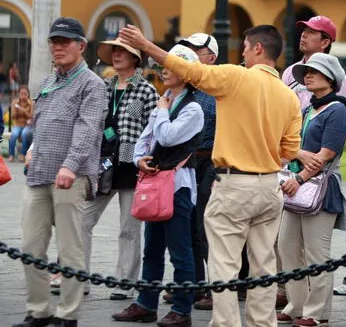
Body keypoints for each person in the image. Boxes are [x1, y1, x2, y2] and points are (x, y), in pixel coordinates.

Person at [117, 23, 302, 327]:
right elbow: (290, 149)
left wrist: (147, 45)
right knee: (264, 267)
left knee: (224, 264)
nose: (242, 53)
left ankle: (226, 323)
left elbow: (192, 71)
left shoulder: (236, 77)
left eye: (244, 47)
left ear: (257, 48)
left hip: (234, 182)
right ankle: (261, 324)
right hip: (270, 185)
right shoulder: (288, 95)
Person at [13, 17, 107, 327]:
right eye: (54, 41)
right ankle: (38, 310)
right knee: (30, 246)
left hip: (72, 177)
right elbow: (41, 124)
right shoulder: (48, 82)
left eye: (65, 41)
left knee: (70, 250)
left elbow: (88, 128)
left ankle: (68, 315)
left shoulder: (92, 84)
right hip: (39, 173)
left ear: (81, 46)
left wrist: (70, 165)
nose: (58, 47)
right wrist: (32, 148)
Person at [112, 44, 204, 327]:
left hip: (178, 186)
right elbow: (145, 138)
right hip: (156, 183)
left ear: (186, 73)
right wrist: (139, 159)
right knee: (152, 248)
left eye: (172, 66)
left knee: (180, 250)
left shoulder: (194, 108)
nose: (164, 69)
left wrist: (162, 112)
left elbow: (166, 137)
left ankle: (182, 309)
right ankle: (146, 303)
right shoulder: (165, 100)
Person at [276, 53, 346, 327]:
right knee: (287, 247)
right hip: (296, 185)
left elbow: (325, 155)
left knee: (316, 252)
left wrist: (299, 178)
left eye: (314, 72)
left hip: (319, 188)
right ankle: (296, 303)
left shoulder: (337, 109)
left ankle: (317, 312)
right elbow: (290, 146)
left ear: (330, 78)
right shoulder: (308, 108)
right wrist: (300, 155)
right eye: (306, 72)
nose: (307, 76)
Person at [82, 37, 158, 300]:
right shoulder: (102, 86)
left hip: (131, 164)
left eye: (122, 51)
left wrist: (148, 159)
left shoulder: (147, 90)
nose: (116, 55)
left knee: (129, 228)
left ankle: (125, 282)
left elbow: (153, 131)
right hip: (101, 163)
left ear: (135, 57)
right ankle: (79, 278)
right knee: (83, 220)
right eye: (114, 50)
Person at [164, 32, 219, 310]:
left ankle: (214, 287)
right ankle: (192, 284)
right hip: (184, 163)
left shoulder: (218, 87)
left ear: (211, 57)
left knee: (205, 228)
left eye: (196, 50)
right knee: (185, 226)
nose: (190, 55)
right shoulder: (181, 88)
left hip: (209, 163)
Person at [281, 15, 346, 109]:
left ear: (325, 43)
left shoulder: (336, 75)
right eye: (304, 30)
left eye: (311, 32)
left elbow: (340, 110)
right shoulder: (290, 72)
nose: (304, 34)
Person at [8, 86, 34, 162]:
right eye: (21, 94)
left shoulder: (31, 103)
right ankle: (11, 155)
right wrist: (17, 110)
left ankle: (23, 154)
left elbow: (31, 116)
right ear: (19, 94)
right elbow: (12, 116)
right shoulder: (15, 102)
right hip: (17, 124)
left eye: (25, 94)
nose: (23, 96)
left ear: (28, 94)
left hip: (27, 125)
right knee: (14, 135)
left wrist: (23, 111)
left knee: (24, 134)